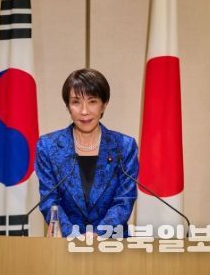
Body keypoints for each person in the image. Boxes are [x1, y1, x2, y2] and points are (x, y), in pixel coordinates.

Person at [35, 68, 138, 237]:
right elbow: (50, 200)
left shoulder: (124, 146)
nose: (84, 111)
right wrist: (73, 236)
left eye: (92, 101)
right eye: (76, 102)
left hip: (113, 244)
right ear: (68, 106)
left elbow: (124, 201)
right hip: (65, 244)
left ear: (104, 104)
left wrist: (98, 234)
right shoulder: (48, 146)